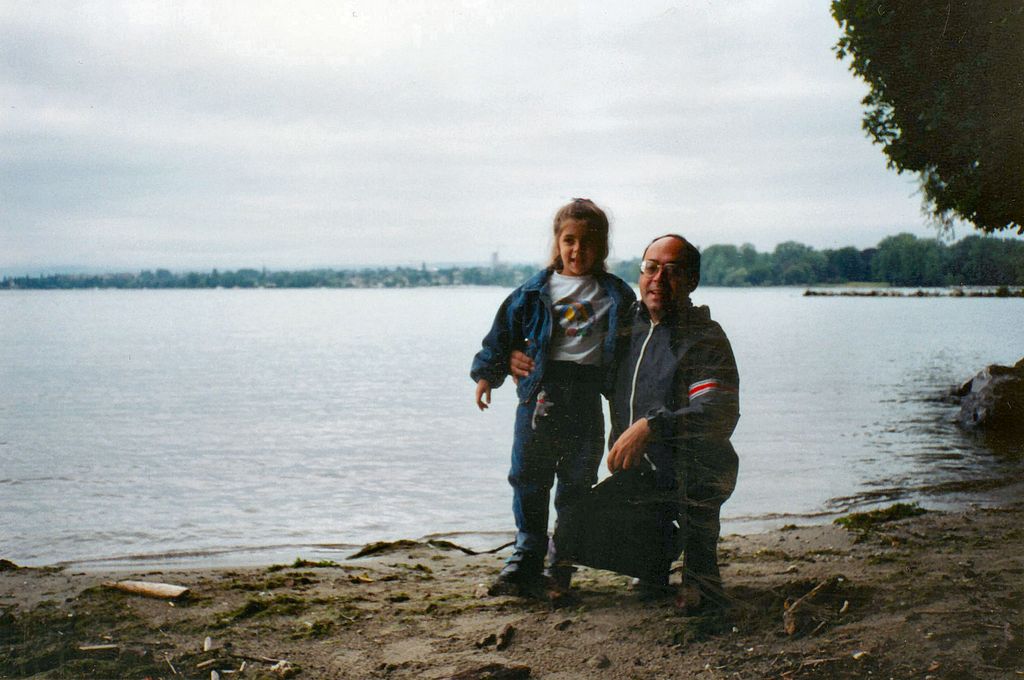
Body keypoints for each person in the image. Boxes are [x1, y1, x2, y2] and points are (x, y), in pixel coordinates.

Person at [512, 234, 739, 612]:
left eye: (672, 271)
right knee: (573, 524)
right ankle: (653, 560)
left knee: (701, 593)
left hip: (696, 471)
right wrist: (517, 356)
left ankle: (701, 571)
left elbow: (717, 412)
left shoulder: (704, 338)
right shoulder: (622, 328)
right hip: (640, 474)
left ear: (692, 281)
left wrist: (652, 426)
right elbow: (571, 360)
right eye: (651, 268)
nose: (658, 279)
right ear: (641, 274)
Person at [470, 198, 636, 598]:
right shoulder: (533, 291)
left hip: (586, 397)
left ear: (603, 246)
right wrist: (490, 373)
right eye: (569, 240)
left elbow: (636, 344)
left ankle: (560, 562)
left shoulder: (616, 294)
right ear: (558, 243)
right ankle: (526, 555)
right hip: (540, 395)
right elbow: (502, 334)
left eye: (588, 242)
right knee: (528, 476)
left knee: (577, 481)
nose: (578, 250)